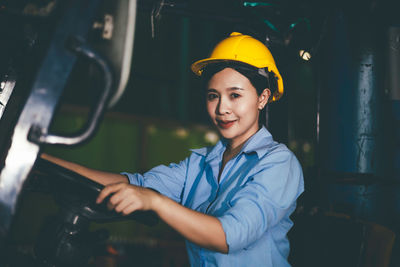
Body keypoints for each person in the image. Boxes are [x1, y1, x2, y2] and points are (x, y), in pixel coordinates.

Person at [42, 32, 304, 266]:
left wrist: (156, 202)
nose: (222, 108)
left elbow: (229, 236)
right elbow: (135, 184)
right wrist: (39, 160)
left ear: (263, 98)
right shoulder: (201, 164)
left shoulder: (279, 164)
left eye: (235, 95)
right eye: (213, 95)